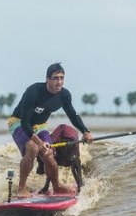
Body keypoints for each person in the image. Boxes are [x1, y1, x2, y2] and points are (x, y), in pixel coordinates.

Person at [8, 62, 93, 197]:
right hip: (19, 122)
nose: (59, 82)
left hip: (40, 125)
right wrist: (39, 142)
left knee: (48, 153)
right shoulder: (33, 92)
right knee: (33, 147)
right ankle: (21, 188)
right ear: (47, 79)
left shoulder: (64, 95)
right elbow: (25, 123)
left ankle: (57, 186)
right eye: (55, 78)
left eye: (62, 78)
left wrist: (85, 131)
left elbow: (73, 115)